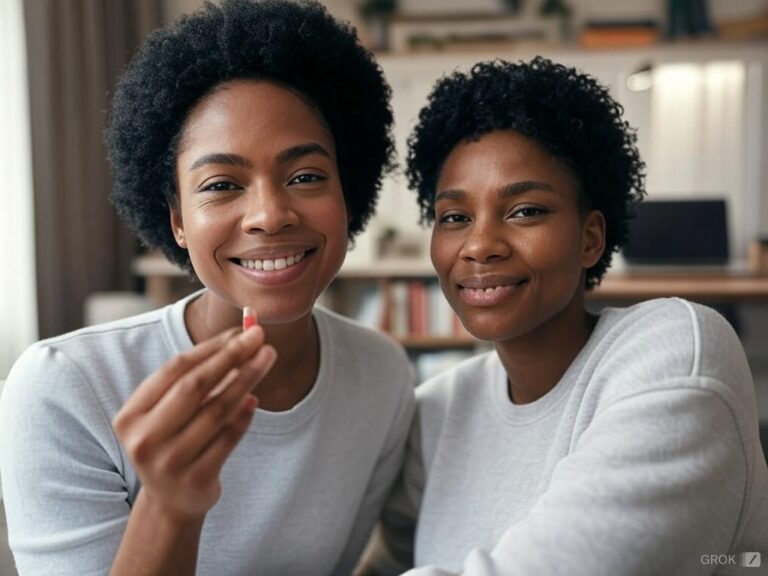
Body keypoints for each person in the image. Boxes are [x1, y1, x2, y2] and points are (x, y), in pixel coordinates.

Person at [0, 1, 415, 575]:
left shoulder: (381, 376)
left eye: (306, 176)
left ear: (350, 193)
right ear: (176, 219)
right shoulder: (65, 388)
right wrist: (170, 507)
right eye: (221, 184)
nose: (270, 215)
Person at [360, 57, 768, 576]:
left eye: (526, 210)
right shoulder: (438, 411)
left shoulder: (677, 354)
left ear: (590, 238)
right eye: (455, 217)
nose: (480, 245)